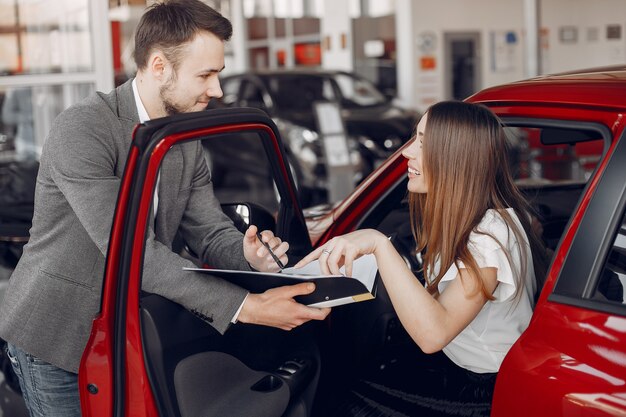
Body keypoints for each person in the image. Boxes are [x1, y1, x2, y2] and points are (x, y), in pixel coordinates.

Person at [0, 1, 329, 416]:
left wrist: (249, 254)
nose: (218, 90)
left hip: (129, 326)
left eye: (218, 74)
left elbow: (209, 231)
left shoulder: (183, 136)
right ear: (159, 66)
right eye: (205, 75)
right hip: (58, 334)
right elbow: (133, 253)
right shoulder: (83, 128)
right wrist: (248, 309)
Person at [296, 101, 547, 416]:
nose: (407, 152)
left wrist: (378, 244)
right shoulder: (475, 220)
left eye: (424, 142)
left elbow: (432, 335)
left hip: (482, 391)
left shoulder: (487, 240)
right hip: (460, 367)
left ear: (455, 158)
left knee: (344, 400)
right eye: (414, 138)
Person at [1, 87, 37, 161]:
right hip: (27, 142)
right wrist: (30, 117)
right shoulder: (17, 88)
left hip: (49, 137)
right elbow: (7, 116)